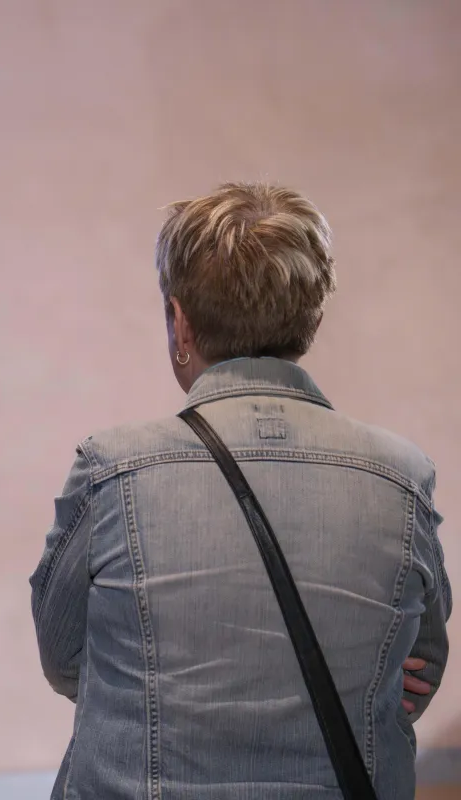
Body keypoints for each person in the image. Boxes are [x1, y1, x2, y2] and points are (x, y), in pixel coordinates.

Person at [29, 182, 450, 799]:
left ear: (179, 322)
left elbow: (64, 658)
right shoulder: (402, 475)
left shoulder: (113, 467)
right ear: (313, 319)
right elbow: (418, 670)